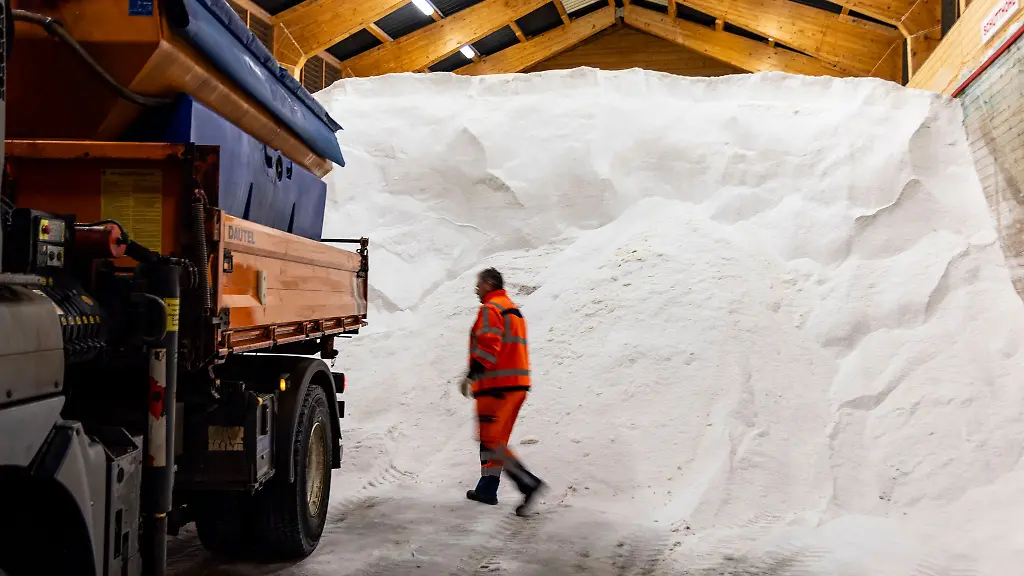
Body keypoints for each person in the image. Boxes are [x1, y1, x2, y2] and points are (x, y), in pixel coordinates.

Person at [460, 267, 545, 516]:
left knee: (492, 441)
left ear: (488, 284)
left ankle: (528, 483)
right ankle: (487, 487)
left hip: (496, 386)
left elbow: (488, 345)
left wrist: (472, 374)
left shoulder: (490, 308)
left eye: (478, 284)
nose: (476, 289)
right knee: (493, 439)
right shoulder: (512, 308)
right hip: (515, 385)